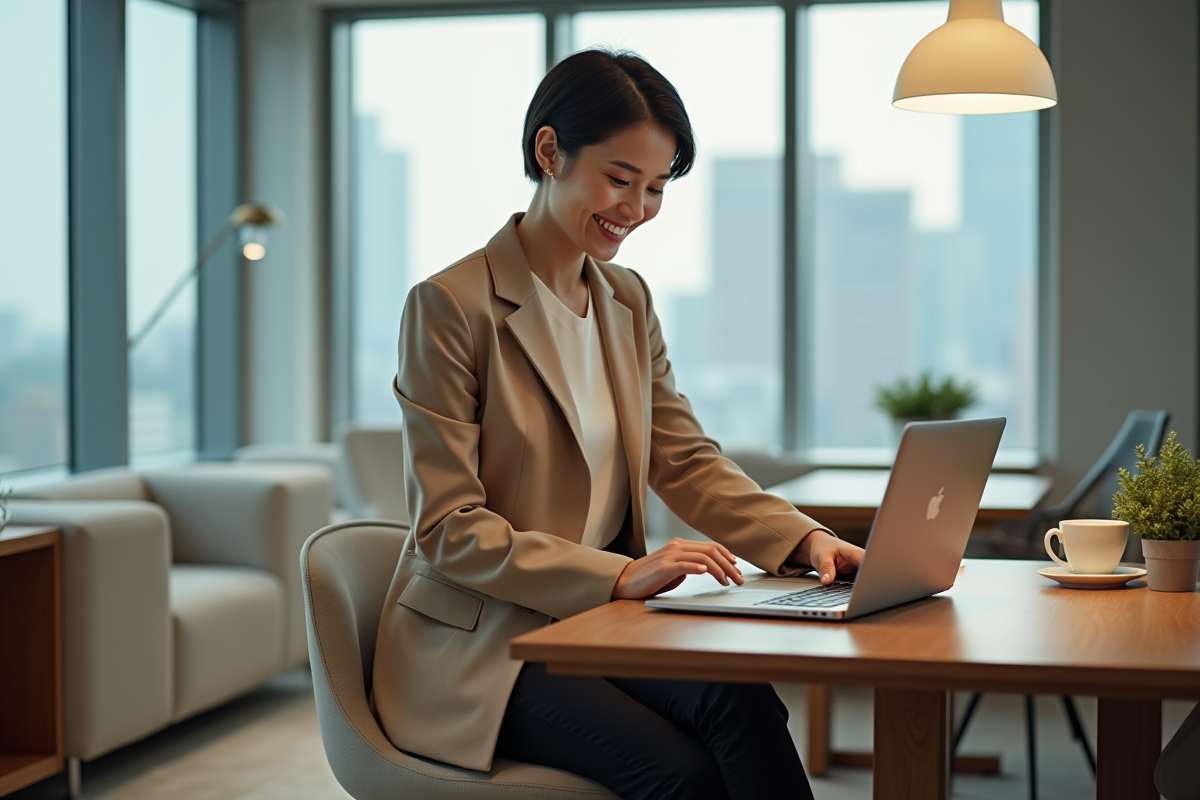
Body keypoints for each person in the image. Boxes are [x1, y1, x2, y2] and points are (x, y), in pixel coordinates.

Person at [371, 48, 865, 800]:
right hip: (487, 638)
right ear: (549, 151)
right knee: (681, 774)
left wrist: (806, 540)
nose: (635, 210)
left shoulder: (626, 300)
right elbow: (447, 527)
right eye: (620, 179)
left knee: (745, 704)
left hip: (601, 619)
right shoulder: (450, 306)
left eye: (657, 188)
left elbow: (686, 459)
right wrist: (622, 572)